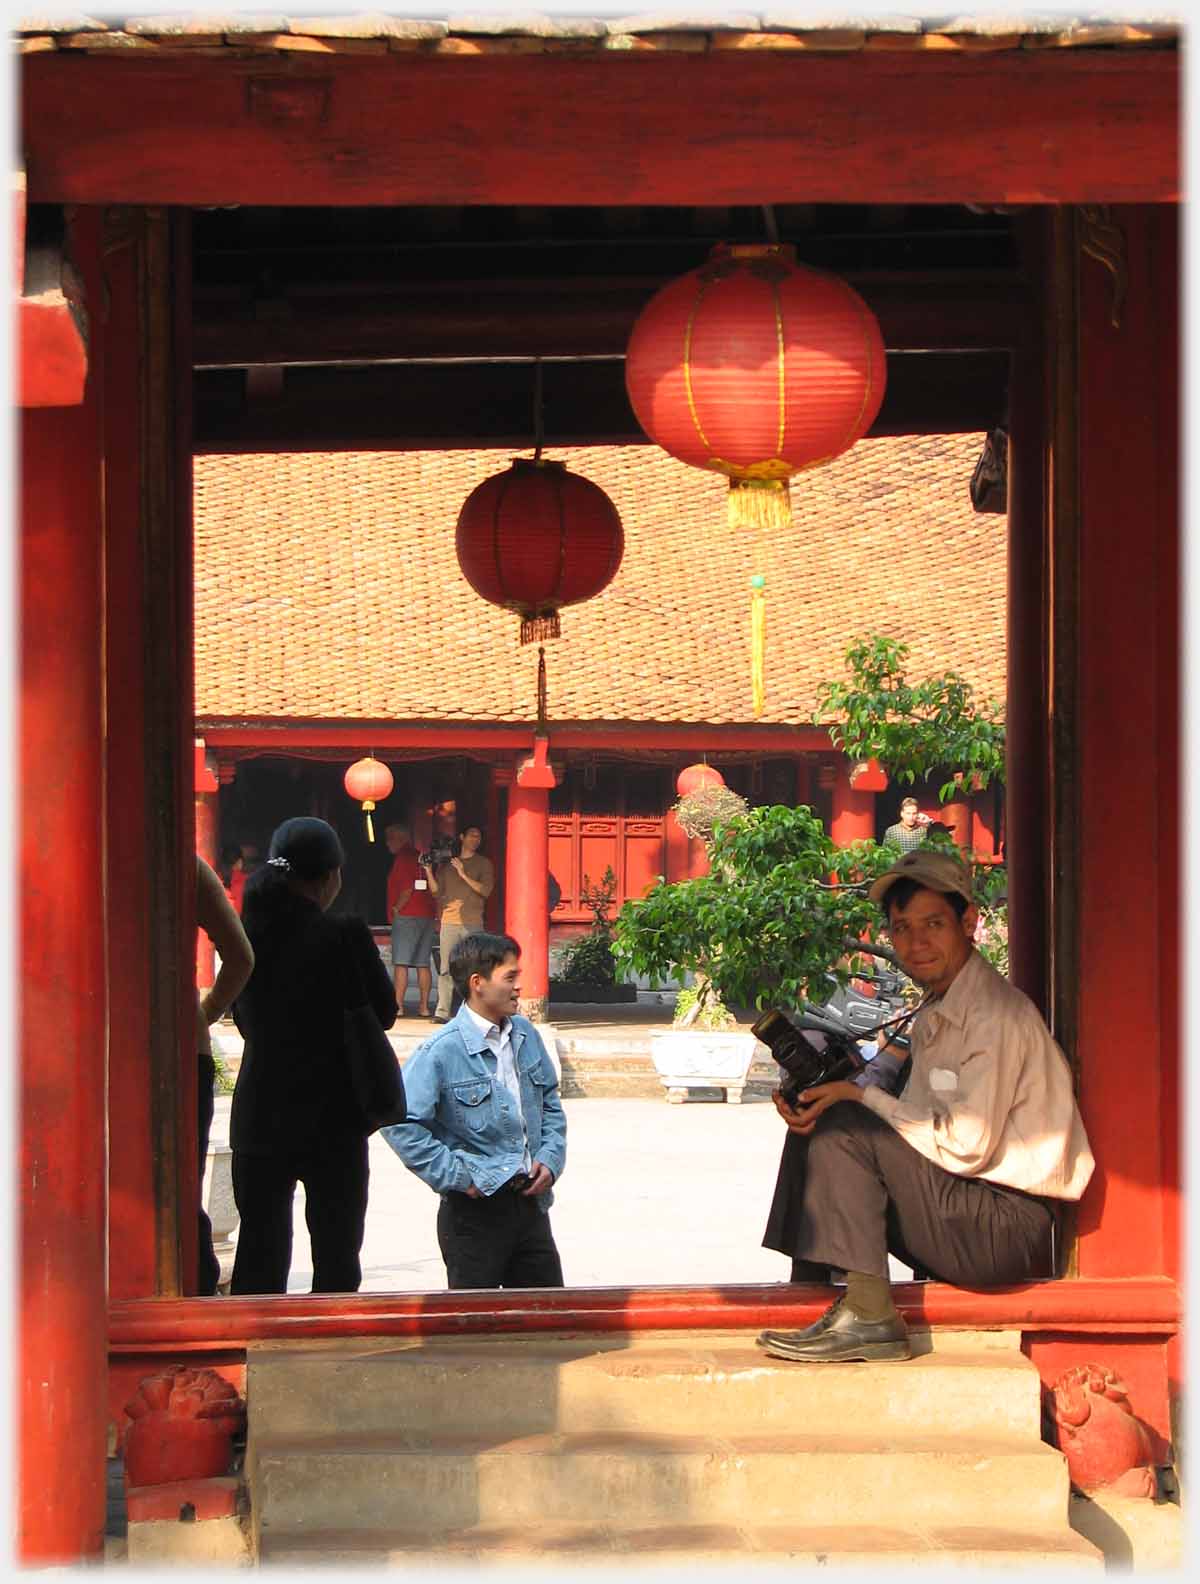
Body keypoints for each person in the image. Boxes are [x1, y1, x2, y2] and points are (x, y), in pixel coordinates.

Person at [758, 847, 1094, 1363]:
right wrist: (835, 1097)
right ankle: (815, 1294)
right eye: (901, 929)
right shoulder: (941, 1005)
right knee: (826, 1116)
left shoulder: (994, 1015)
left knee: (848, 1117)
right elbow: (912, 1133)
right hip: (961, 1207)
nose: (916, 943)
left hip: (1004, 1226)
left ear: (968, 921)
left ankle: (869, 1315)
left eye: (933, 924)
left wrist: (860, 1097)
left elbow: (966, 1146)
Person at [229, 816, 398, 1294]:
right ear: (332, 875)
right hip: (334, 1117)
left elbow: (243, 1020)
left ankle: (251, 1356)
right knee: (337, 1258)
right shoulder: (344, 933)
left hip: (261, 1111)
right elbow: (383, 1013)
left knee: (259, 1255)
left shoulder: (250, 935)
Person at [381, 931, 566, 1289]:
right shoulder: (441, 1050)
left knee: (545, 1321)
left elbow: (550, 1104)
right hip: (473, 1213)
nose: (519, 987)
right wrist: (457, 1176)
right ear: (477, 983)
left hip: (530, 1205)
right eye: (510, 977)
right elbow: (398, 1122)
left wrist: (551, 1157)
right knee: (475, 1330)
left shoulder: (526, 1036)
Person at [195, 854, 255, 1295]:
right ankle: (195, 1285)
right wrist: (203, 1014)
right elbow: (239, 956)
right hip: (180, 1043)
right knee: (178, 1183)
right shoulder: (187, 866)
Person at [427, 825, 495, 1024]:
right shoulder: (448, 866)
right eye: (472, 835)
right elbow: (436, 892)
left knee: (473, 967)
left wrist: (463, 873)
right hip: (449, 921)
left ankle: (474, 1010)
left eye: (479, 836)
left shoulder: (483, 864)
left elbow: (485, 891)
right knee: (446, 968)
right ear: (462, 837)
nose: (476, 839)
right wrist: (428, 871)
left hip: (473, 922)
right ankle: (442, 1011)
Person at [384, 820, 437, 1017]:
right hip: (427, 915)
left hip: (407, 915)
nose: (388, 844)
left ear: (399, 839)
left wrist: (397, 908)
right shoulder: (420, 857)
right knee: (423, 963)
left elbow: (407, 889)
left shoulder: (402, 858)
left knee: (401, 962)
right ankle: (424, 1007)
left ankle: (398, 1005)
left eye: (389, 840)